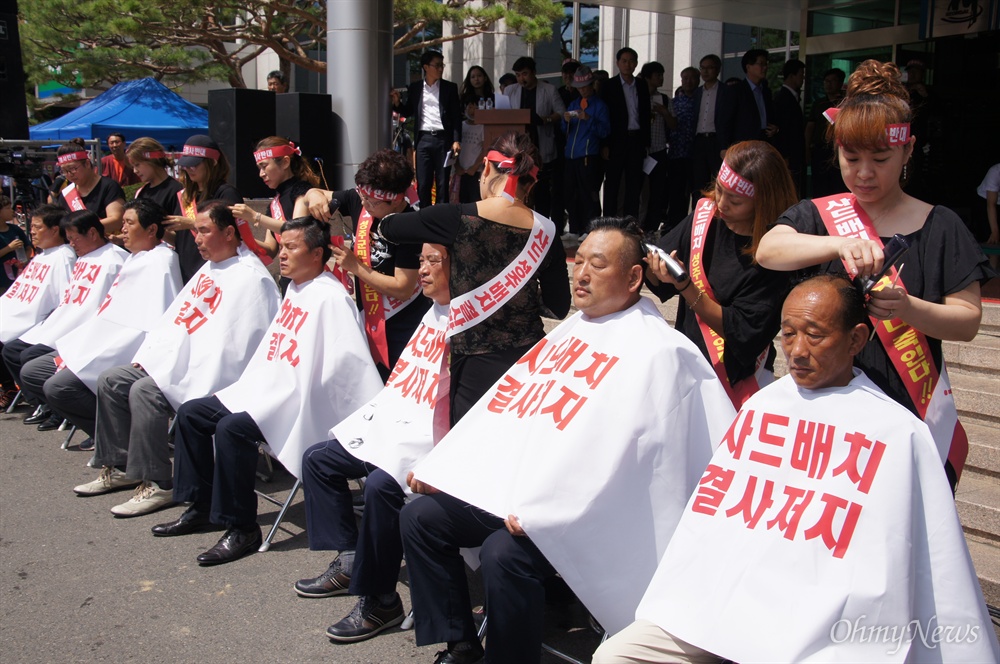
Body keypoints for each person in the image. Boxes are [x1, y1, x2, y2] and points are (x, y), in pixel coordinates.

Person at [592, 275, 1000, 664]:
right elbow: (715, 512)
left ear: (856, 338)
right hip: (722, 597)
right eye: (787, 333)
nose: (798, 350)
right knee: (614, 656)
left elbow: (906, 553)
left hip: (824, 618)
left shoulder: (897, 432)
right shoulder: (764, 406)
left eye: (815, 334)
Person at [400, 219, 734, 664]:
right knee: (421, 517)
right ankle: (460, 643)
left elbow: (638, 462)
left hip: (582, 510)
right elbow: (505, 413)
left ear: (634, 278)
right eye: (577, 263)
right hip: (518, 491)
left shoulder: (659, 352)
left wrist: (548, 508)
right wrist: (448, 470)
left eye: (597, 265)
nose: (580, 275)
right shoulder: (570, 334)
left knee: (503, 551)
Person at [756, 60, 995, 490]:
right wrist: (837, 243)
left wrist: (909, 308)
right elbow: (769, 250)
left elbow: (968, 321)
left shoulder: (941, 226)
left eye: (880, 159)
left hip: (907, 415)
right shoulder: (819, 215)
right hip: (823, 418)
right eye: (851, 158)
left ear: (907, 150)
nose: (864, 173)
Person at [151, 216, 381, 565]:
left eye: (291, 248)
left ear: (318, 254)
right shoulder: (296, 287)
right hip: (267, 387)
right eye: (282, 246)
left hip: (296, 398)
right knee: (192, 413)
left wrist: (289, 393)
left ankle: (242, 528)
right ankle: (199, 505)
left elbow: (343, 370)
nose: (282, 255)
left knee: (232, 429)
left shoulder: (331, 298)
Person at [73, 202, 279, 517]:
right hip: (178, 361)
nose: (196, 238)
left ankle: (159, 483)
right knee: (113, 380)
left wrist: (179, 369)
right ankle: (122, 466)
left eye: (204, 230)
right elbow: (175, 322)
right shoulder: (210, 269)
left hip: (208, 373)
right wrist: (152, 359)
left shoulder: (252, 278)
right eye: (195, 230)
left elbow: (237, 347)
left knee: (144, 391)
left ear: (228, 233)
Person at [293, 242, 452, 643]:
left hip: (429, 443)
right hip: (395, 426)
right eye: (421, 262)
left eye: (433, 262)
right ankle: (350, 557)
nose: (423, 271)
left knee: (382, 485)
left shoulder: (473, 321)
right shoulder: (431, 314)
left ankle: (380, 599)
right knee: (318, 459)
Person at [379, 131, 571, 426]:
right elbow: (559, 306)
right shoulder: (547, 231)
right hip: (529, 363)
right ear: (531, 181)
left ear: (485, 168)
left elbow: (389, 227)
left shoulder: (454, 218)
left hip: (473, 370)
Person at [19, 200, 181, 449]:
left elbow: (151, 323)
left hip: (123, 349)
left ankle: (121, 441)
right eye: (124, 222)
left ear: (151, 230)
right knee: (33, 371)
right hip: (99, 338)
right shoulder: (136, 258)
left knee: (58, 386)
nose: (122, 229)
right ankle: (109, 433)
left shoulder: (161, 261)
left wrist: (90, 353)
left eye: (129, 223)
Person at [647, 140, 796, 409]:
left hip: (738, 379)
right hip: (689, 365)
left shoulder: (776, 249)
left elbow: (742, 331)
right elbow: (659, 274)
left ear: (762, 201)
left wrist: (686, 287)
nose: (722, 204)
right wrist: (656, 268)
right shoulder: (706, 216)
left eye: (735, 200)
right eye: (719, 190)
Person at [302, 149, 428, 379]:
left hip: (402, 326)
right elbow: (315, 194)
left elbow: (403, 287)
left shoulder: (412, 225)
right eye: (362, 196)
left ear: (396, 199)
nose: (364, 204)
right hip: (368, 319)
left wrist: (356, 267)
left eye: (372, 201)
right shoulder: (360, 200)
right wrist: (315, 194)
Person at [2, 210, 128, 432]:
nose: (71, 243)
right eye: (68, 238)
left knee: (29, 358)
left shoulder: (115, 260)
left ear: (92, 233)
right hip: (64, 320)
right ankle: (50, 406)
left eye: (74, 238)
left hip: (85, 329)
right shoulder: (83, 257)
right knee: (13, 351)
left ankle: (63, 410)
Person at [0, 204, 74, 407]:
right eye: (31, 226)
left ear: (54, 229)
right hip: (17, 313)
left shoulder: (64, 257)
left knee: (11, 350)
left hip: (36, 322)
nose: (31, 231)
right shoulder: (41, 256)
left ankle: (38, 401)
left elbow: (62, 300)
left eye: (37, 227)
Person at [391, 50, 463, 209]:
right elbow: (408, 111)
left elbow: (456, 116)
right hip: (423, 140)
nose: (440, 69)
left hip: (443, 139)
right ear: (425, 67)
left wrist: (457, 139)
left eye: (441, 65)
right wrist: (397, 103)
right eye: (436, 65)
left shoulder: (449, 88)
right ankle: (424, 216)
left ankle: (441, 217)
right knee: (423, 183)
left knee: (443, 183)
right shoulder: (416, 88)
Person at [168, 134, 244, 283]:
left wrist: (191, 224)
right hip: (187, 272)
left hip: (217, 272)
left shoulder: (226, 193)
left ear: (213, 162)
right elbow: (182, 241)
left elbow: (233, 236)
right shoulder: (185, 195)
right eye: (186, 165)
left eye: (195, 164)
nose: (189, 169)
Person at [230, 136, 318, 261]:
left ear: (285, 162)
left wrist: (255, 216)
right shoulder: (274, 203)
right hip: (288, 275)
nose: (261, 174)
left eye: (264, 166)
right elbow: (270, 250)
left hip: (307, 273)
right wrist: (240, 237)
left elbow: (297, 230)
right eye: (259, 168)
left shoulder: (303, 191)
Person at [505, 57, 566, 222]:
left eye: (524, 74)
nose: (521, 79)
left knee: (542, 189)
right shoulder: (510, 90)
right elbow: (503, 113)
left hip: (541, 144)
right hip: (518, 147)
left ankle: (543, 223)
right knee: (520, 188)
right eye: (518, 75)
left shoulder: (549, 89)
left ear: (533, 73)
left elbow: (561, 112)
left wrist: (545, 119)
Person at [601, 47, 650, 218]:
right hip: (615, 141)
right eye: (624, 61)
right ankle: (608, 222)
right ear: (617, 63)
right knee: (612, 183)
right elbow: (605, 117)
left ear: (636, 64)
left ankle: (630, 224)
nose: (628, 64)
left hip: (636, 139)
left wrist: (646, 142)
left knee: (634, 184)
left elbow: (645, 114)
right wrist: (605, 144)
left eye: (631, 61)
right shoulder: (608, 86)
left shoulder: (642, 85)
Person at [561, 65, 610, 238]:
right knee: (571, 193)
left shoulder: (600, 105)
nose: (582, 90)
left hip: (589, 155)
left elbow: (605, 131)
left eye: (585, 87)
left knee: (588, 193)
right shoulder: (574, 103)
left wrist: (588, 119)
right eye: (579, 88)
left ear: (592, 85)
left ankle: (590, 229)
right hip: (571, 155)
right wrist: (565, 120)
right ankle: (575, 228)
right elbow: (563, 130)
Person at [54, 140, 125, 234]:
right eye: (64, 171)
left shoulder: (109, 187)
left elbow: (117, 220)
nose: (69, 174)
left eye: (73, 169)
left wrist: (80, 230)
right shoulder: (66, 194)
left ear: (87, 164)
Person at [639, 61, 677, 236]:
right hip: (640, 151)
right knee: (639, 192)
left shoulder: (664, 100)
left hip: (659, 150)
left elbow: (674, 125)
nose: (661, 79)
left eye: (662, 75)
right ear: (648, 77)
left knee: (657, 191)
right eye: (657, 75)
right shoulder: (638, 96)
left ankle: (651, 227)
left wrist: (664, 112)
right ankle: (637, 225)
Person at [717, 49, 776, 152]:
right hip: (743, 146)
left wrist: (775, 129)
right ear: (748, 67)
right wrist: (724, 147)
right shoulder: (735, 91)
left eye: (766, 64)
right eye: (761, 64)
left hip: (765, 143)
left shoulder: (766, 91)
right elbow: (725, 122)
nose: (765, 68)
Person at [665, 67, 699, 232]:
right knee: (676, 193)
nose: (688, 81)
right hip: (677, 153)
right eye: (685, 78)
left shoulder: (701, 99)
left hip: (697, 153)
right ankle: (676, 226)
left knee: (697, 191)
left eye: (692, 78)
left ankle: (695, 225)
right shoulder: (674, 102)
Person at [690, 54, 726, 209]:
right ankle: (699, 214)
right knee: (698, 183)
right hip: (698, 141)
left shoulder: (726, 92)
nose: (705, 72)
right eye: (702, 68)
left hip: (716, 141)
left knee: (719, 181)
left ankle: (719, 212)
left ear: (717, 70)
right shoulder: (697, 93)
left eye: (709, 67)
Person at [804, 67, 846, 198]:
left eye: (832, 81)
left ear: (840, 83)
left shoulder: (845, 102)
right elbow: (810, 127)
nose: (828, 84)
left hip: (839, 150)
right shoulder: (818, 103)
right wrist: (806, 149)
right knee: (820, 188)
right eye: (826, 81)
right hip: (820, 151)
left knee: (838, 186)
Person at [771, 59, 806, 196]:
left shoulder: (792, 97)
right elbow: (783, 129)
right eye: (801, 75)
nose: (802, 79)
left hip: (795, 155)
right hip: (789, 156)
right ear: (792, 75)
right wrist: (785, 155)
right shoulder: (782, 99)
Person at [126, 137, 183, 215]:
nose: (135, 171)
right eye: (133, 167)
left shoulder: (177, 191)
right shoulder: (141, 192)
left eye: (137, 165)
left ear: (152, 161)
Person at [0, 193, 31, 294]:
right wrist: (9, 248)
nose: (11, 211)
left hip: (17, 277)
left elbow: (28, 247)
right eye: (8, 208)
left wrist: (24, 260)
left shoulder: (15, 229)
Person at [974, 162, 999, 246]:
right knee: (992, 239)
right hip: (985, 202)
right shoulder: (995, 172)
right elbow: (991, 205)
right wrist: (994, 231)